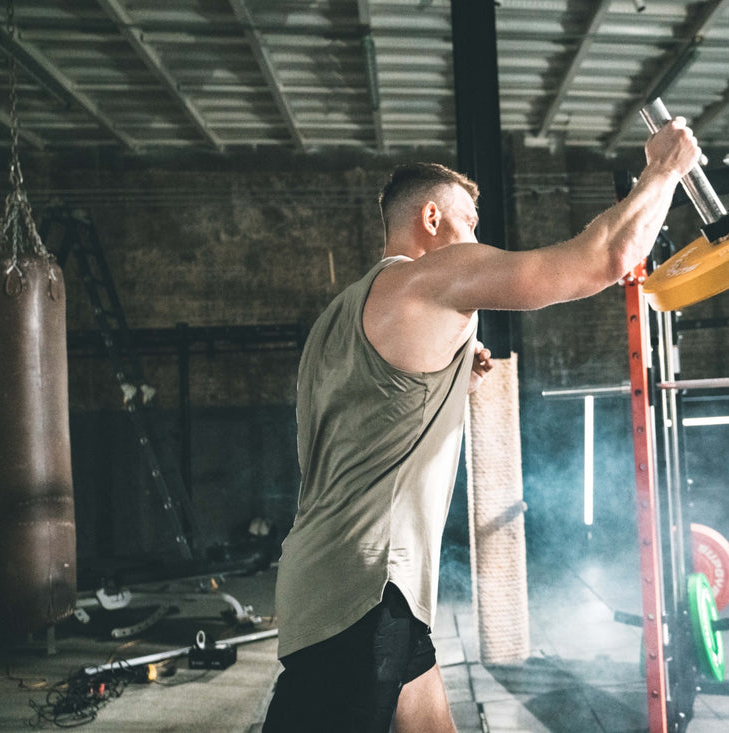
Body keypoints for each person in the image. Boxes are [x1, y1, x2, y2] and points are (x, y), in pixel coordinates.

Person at [262, 118, 701, 732]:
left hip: (337, 581)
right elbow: (604, 259)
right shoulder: (429, 279)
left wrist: (450, 377)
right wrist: (665, 171)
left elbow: (375, 416)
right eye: (469, 223)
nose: (476, 240)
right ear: (433, 219)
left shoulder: (342, 316)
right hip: (363, 591)